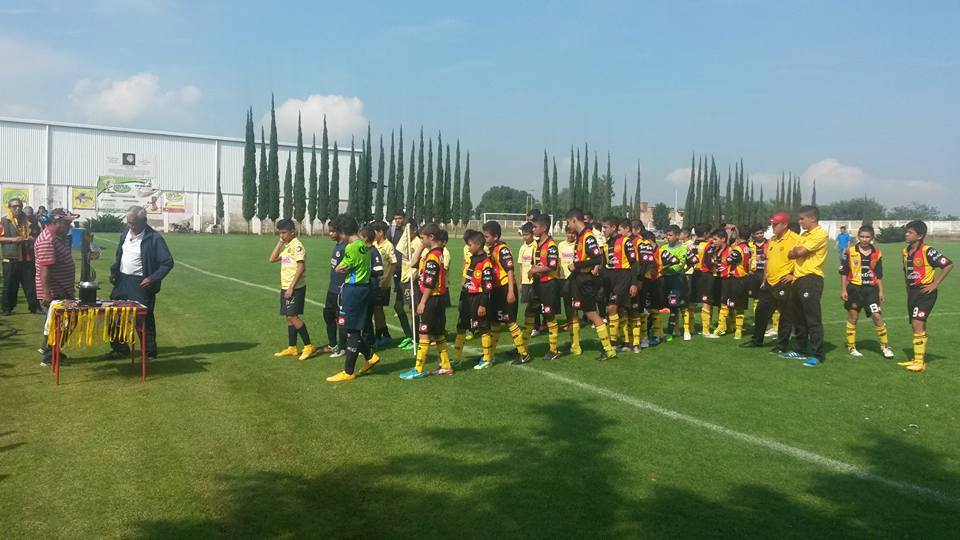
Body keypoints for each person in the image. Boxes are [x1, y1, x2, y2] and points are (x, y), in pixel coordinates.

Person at [107, 205, 174, 358]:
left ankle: (149, 352)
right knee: (114, 315)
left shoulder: (154, 238)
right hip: (122, 281)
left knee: (143, 318)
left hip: (141, 283)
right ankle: (119, 348)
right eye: (128, 222)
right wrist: (115, 271)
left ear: (144, 221)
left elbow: (167, 262)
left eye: (134, 223)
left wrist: (152, 278)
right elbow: (120, 253)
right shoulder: (125, 233)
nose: (130, 226)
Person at [326, 215, 381, 382]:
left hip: (354, 289)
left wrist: (340, 268)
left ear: (342, 232)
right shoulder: (363, 245)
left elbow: (340, 268)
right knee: (352, 328)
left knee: (351, 330)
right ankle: (370, 357)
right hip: (363, 288)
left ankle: (348, 372)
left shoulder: (351, 248)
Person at [897, 220, 953, 373]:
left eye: (910, 232)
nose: (906, 234)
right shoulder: (905, 251)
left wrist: (935, 284)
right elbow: (906, 271)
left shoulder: (928, 251)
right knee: (917, 325)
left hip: (925, 293)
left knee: (917, 324)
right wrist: (907, 287)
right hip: (913, 292)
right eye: (906, 231)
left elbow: (948, 264)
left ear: (920, 236)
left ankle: (920, 363)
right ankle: (917, 358)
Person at [400, 224, 453, 379]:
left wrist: (422, 302)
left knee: (424, 334)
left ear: (431, 237)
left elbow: (430, 282)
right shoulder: (433, 253)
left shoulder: (433, 256)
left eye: (423, 238)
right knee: (438, 335)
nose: (420, 241)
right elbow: (412, 263)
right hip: (437, 299)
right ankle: (446, 366)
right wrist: (422, 246)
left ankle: (418, 369)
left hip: (431, 298)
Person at [741, 212, 799, 351]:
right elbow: (769, 260)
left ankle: (781, 345)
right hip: (769, 282)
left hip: (784, 282)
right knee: (761, 312)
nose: (772, 226)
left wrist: (793, 275)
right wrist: (765, 279)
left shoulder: (796, 239)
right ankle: (757, 340)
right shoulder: (772, 239)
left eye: (775, 224)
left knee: (785, 315)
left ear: (784, 224)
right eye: (772, 224)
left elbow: (802, 261)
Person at [566, 208, 617, 360]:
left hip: (585, 280)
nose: (568, 226)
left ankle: (608, 349)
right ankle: (575, 346)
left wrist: (578, 265)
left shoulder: (588, 237)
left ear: (575, 220)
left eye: (569, 222)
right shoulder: (581, 236)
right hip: (578, 278)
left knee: (591, 313)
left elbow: (598, 259)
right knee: (574, 310)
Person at [839, 225, 894, 359]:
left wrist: (881, 291)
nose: (864, 239)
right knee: (853, 317)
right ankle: (852, 347)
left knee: (877, 316)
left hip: (871, 290)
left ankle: (885, 347)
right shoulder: (849, 251)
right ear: (858, 237)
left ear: (872, 238)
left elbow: (879, 274)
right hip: (854, 289)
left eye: (867, 237)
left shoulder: (877, 253)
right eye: (862, 236)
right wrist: (843, 289)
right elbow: (844, 272)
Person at [34, 209, 79, 365]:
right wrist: (47, 294)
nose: (70, 225)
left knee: (62, 322)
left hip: (62, 289)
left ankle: (49, 349)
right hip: (53, 292)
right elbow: (45, 269)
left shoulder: (59, 237)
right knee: (59, 324)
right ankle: (50, 356)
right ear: (55, 222)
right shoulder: (48, 240)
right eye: (67, 222)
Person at [482, 221, 530, 363]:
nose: (485, 239)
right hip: (497, 290)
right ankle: (490, 354)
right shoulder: (492, 248)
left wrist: (510, 291)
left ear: (495, 236)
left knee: (509, 321)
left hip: (505, 288)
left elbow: (510, 270)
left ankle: (523, 353)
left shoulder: (502, 249)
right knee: (495, 322)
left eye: (487, 237)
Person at [785, 205, 828, 367]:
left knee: (812, 317)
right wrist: (797, 251)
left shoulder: (820, 234)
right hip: (798, 279)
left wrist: (797, 251)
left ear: (813, 218)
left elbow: (798, 252)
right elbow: (791, 253)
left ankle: (817, 354)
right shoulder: (805, 235)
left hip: (811, 279)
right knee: (799, 317)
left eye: (802, 218)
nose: (800, 221)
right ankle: (800, 349)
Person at [270, 219, 316, 361]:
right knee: (288, 318)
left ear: (292, 232)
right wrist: (280, 242)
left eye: (284, 233)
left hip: (295, 288)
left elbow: (301, 267)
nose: (282, 235)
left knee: (292, 317)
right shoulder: (287, 245)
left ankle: (308, 346)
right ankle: (292, 347)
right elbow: (272, 259)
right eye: (280, 233)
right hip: (285, 287)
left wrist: (291, 287)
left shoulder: (297, 246)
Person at [459, 230, 496, 369]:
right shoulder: (472, 259)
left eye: (470, 244)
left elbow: (487, 287)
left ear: (478, 244)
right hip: (467, 297)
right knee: (461, 326)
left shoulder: (485, 262)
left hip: (478, 298)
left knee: (483, 328)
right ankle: (456, 358)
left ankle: (487, 358)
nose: (468, 247)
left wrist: (483, 305)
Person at [601, 216, 638, 352]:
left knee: (612, 308)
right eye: (602, 227)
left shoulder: (625, 242)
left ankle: (613, 341)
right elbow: (604, 265)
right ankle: (627, 341)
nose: (603, 230)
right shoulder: (606, 245)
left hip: (623, 276)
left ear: (613, 227)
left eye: (605, 227)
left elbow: (634, 263)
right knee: (620, 309)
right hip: (611, 279)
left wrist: (634, 283)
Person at [529, 214, 562, 360]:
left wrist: (535, 270)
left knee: (549, 315)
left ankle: (554, 350)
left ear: (544, 228)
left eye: (535, 227)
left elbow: (552, 266)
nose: (533, 229)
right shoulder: (537, 244)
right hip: (537, 284)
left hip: (548, 284)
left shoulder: (551, 245)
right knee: (529, 313)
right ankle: (522, 348)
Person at [2, 197, 41, 315]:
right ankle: (7, 308)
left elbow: (37, 236)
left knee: (30, 284)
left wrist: (31, 239)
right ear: (9, 208)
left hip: (27, 256)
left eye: (19, 206)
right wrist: (13, 239)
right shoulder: (4, 221)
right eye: (14, 206)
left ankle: (35, 306)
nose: (17, 208)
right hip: (11, 257)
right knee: (9, 285)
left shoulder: (30, 220)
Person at [709, 227, 750, 340]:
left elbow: (729, 260)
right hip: (742, 278)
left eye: (715, 239)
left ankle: (722, 328)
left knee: (725, 304)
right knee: (738, 306)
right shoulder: (747, 247)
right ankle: (737, 330)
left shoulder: (737, 249)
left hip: (734, 279)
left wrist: (720, 262)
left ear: (738, 237)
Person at [322, 220, 348, 356]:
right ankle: (333, 344)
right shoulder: (337, 246)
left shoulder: (345, 247)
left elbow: (348, 268)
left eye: (333, 231)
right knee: (328, 315)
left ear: (339, 231)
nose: (330, 234)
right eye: (329, 231)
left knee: (341, 319)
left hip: (341, 289)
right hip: (332, 288)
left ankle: (343, 347)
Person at [393, 217, 419, 350]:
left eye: (407, 230)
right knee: (398, 306)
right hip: (402, 279)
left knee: (412, 309)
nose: (405, 233)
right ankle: (408, 335)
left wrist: (413, 277)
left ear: (414, 230)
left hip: (411, 280)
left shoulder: (418, 243)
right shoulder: (406, 242)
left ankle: (416, 339)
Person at [661, 224, 690, 340]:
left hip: (677, 280)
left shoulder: (683, 249)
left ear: (677, 236)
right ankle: (671, 331)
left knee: (678, 305)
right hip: (665, 280)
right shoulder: (663, 249)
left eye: (670, 235)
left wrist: (665, 267)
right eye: (667, 235)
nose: (668, 237)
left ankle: (684, 330)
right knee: (667, 305)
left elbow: (679, 266)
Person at [371, 221, 397, 347]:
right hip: (375, 283)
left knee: (378, 309)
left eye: (374, 231)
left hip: (383, 283)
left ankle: (381, 334)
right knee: (376, 309)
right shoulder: (374, 244)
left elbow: (393, 263)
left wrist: (387, 280)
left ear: (380, 232)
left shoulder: (388, 246)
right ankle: (382, 333)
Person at [517, 222, 539, 345]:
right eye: (523, 235)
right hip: (525, 281)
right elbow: (520, 266)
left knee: (533, 304)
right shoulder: (522, 248)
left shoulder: (536, 246)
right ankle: (532, 326)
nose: (525, 237)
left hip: (534, 280)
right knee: (529, 304)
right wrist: (519, 282)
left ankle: (535, 327)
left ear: (532, 234)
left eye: (527, 235)